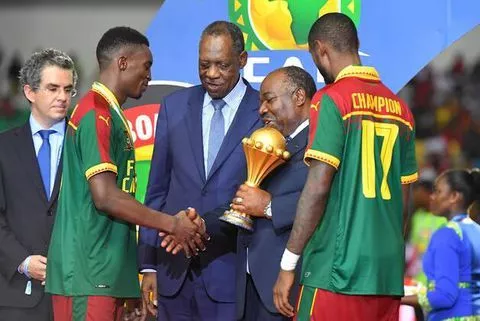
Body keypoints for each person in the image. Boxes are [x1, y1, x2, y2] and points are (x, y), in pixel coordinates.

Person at [45, 27, 205, 321]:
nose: (150, 76)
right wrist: (172, 224)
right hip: (87, 272)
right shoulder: (95, 113)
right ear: (122, 62)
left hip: (107, 271)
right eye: (146, 66)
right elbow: (105, 196)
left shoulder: (111, 113)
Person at [273, 13, 418, 321]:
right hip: (385, 274)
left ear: (320, 50)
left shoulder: (331, 99)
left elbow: (318, 186)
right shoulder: (401, 109)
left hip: (336, 271)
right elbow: (405, 198)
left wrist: (288, 263)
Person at [138, 20, 261, 321]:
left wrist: (202, 225)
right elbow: (157, 189)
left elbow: (258, 195)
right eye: (204, 64)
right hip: (172, 273)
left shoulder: (263, 112)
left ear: (242, 61)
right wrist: (148, 265)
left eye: (222, 65)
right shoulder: (174, 107)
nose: (212, 74)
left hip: (230, 276)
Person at [232, 66, 315, 321]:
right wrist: (200, 222)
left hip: (286, 287)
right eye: (261, 102)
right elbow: (246, 199)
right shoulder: (266, 140)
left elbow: (327, 197)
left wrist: (270, 207)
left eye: (269, 99)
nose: (262, 110)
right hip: (248, 287)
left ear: (299, 97)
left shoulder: (321, 142)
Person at [0, 48, 76, 321]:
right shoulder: (4, 147)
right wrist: (22, 261)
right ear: (30, 92)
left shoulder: (83, 144)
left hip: (75, 292)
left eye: (68, 90)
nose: (63, 97)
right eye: (53, 88)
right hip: (16, 294)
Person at [401, 169, 478, 320]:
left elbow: (445, 296)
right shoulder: (476, 231)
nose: (432, 196)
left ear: (454, 196)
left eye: (437, 191)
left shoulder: (447, 235)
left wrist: (398, 298)